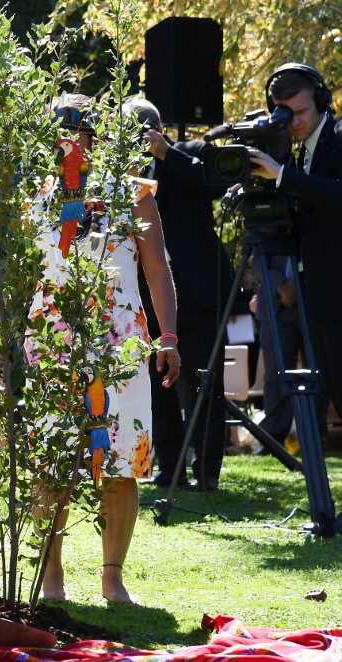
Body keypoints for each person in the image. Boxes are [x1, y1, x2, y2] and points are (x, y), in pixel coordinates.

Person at [28, 94, 180, 604]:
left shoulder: (134, 193)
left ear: (96, 135)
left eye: (77, 130)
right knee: (51, 460)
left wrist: (169, 337)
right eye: (59, 131)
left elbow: (157, 269)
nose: (68, 141)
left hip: (120, 343)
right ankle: (52, 579)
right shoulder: (37, 197)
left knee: (121, 459)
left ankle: (112, 578)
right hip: (51, 343)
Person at [123, 97, 235, 491]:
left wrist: (165, 153)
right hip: (149, 293)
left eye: (145, 132)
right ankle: (170, 470)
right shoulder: (120, 174)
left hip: (198, 291)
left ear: (159, 128)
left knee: (206, 385)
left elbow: (216, 185)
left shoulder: (189, 154)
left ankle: (207, 475)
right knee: (159, 389)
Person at [248, 63, 342, 431]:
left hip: (336, 293)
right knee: (335, 391)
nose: (296, 121)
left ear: (321, 100)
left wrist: (284, 176)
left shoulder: (338, 136)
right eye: (286, 114)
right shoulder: (298, 149)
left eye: (302, 111)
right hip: (317, 295)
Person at [252, 256, 327, 448]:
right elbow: (256, 257)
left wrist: (298, 285)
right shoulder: (265, 226)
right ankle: (273, 441)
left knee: (319, 372)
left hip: (315, 302)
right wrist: (281, 285)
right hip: (274, 306)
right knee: (276, 374)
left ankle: (314, 439)